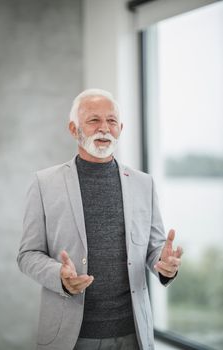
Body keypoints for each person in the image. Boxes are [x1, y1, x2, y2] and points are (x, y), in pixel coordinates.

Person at [17, 88, 183, 350]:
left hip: (134, 334)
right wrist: (58, 275)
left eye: (112, 121)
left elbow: (154, 249)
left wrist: (164, 265)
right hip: (71, 336)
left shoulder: (144, 184)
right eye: (94, 120)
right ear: (74, 129)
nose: (104, 128)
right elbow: (27, 254)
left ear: (120, 128)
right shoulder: (44, 183)